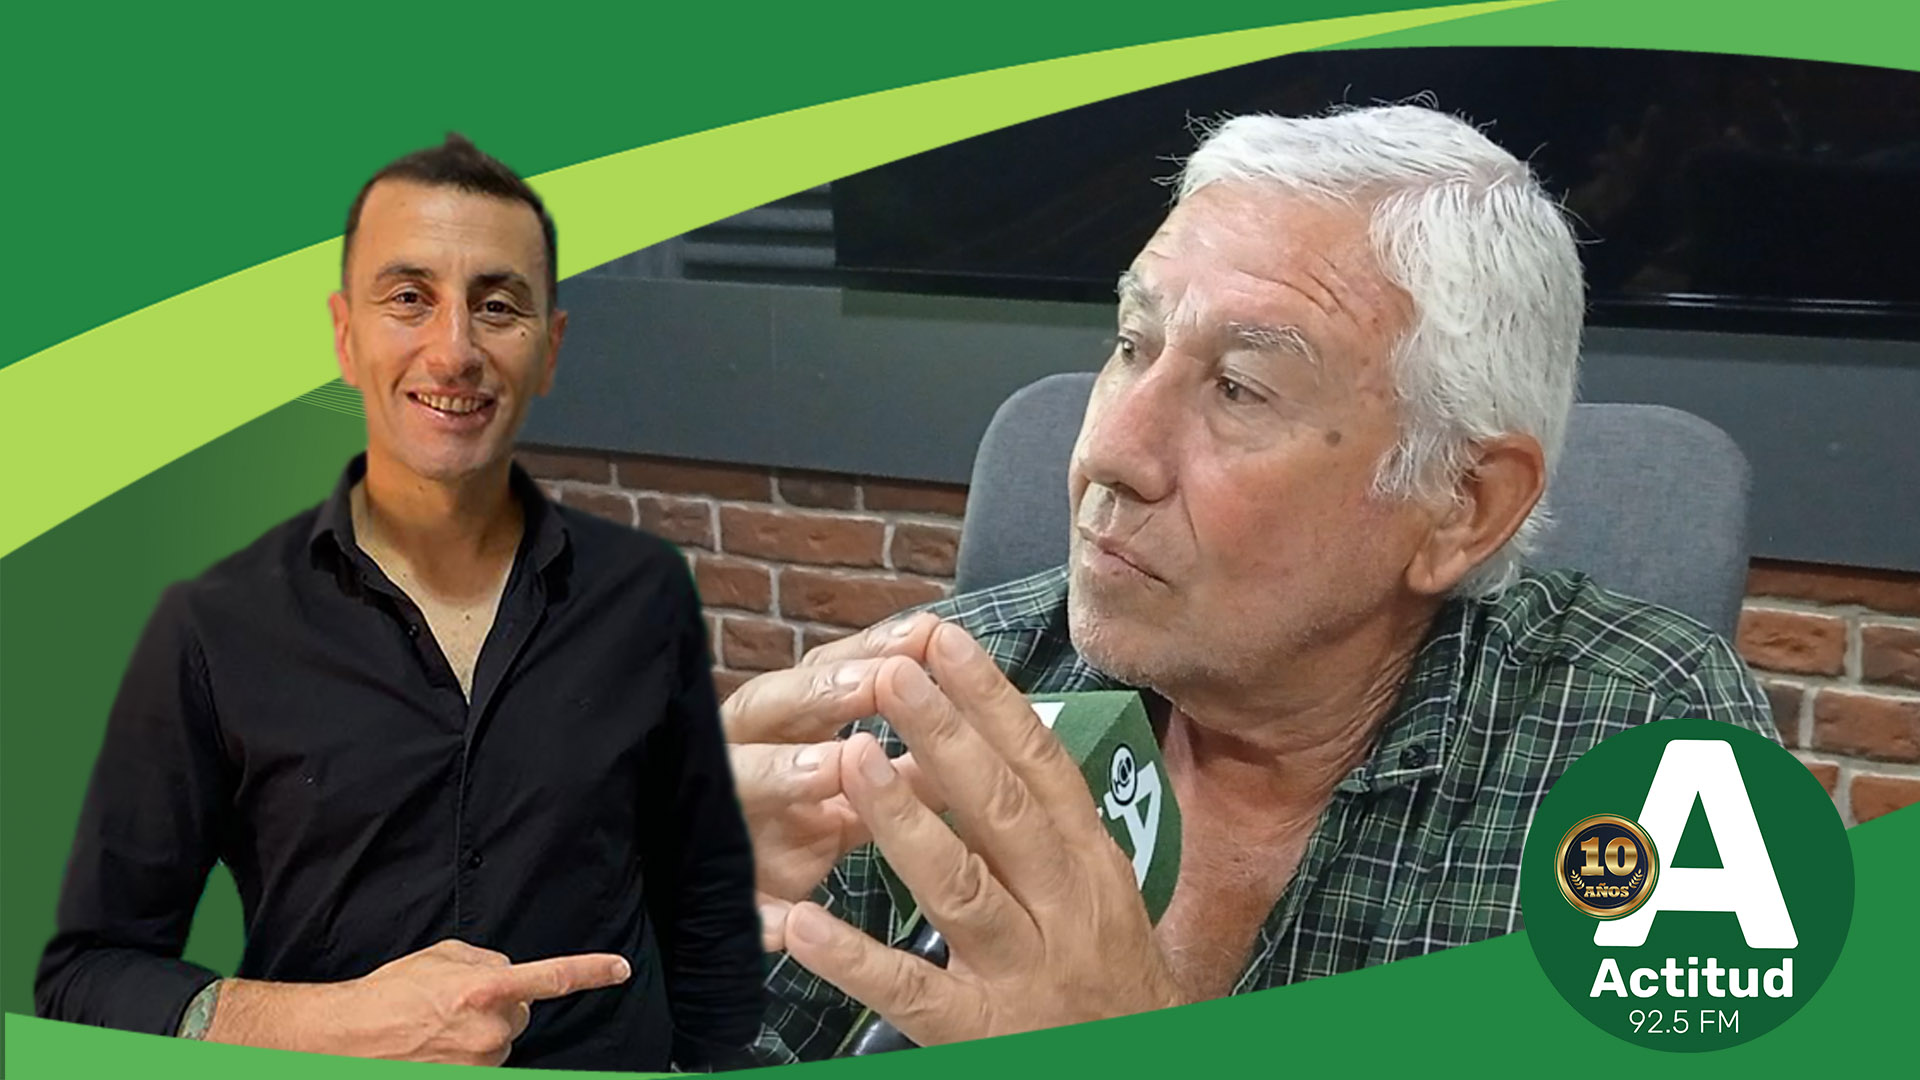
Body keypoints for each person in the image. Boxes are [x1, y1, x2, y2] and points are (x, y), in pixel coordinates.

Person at [726, 105, 1777, 1059]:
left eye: (1240, 388)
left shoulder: (1652, 746)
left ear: (1462, 503)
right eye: (1132, 344)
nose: (1110, 452)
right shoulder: (949, 689)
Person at [36, 134, 763, 1070]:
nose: (454, 350)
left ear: (549, 349)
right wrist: (338, 1027)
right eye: (409, 298)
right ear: (346, 337)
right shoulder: (213, 626)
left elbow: (702, 900)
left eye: (496, 306)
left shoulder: (645, 593)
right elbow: (89, 976)